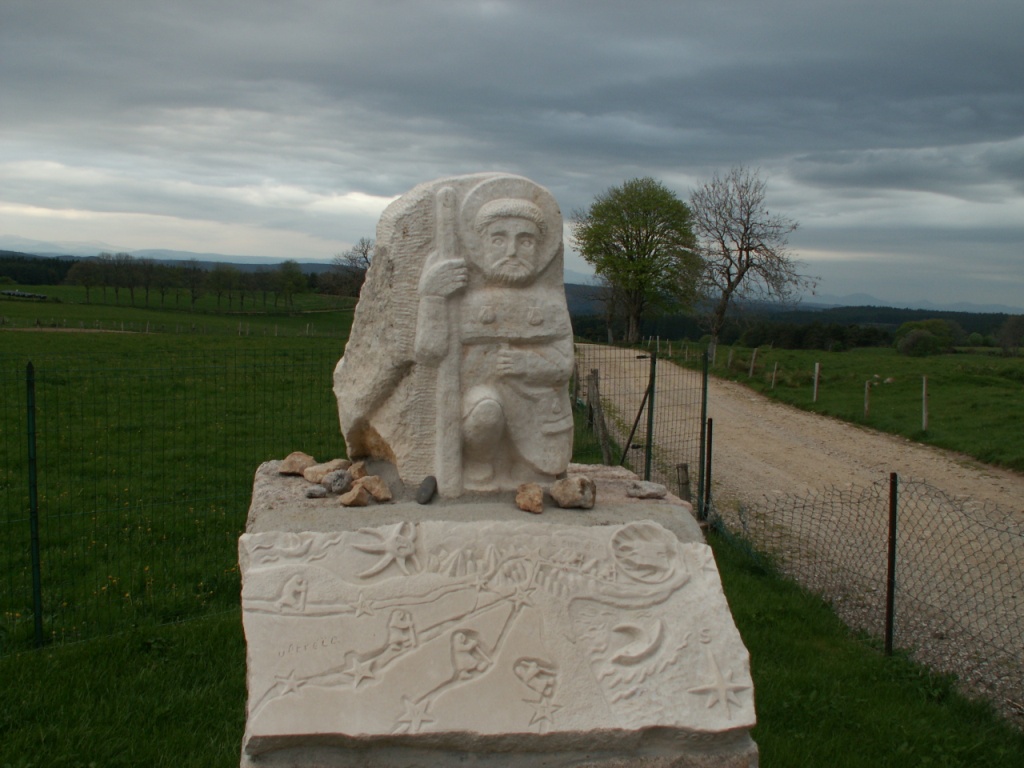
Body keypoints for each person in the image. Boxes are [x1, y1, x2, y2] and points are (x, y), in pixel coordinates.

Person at [415, 191, 573, 491]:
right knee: (485, 411)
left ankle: (521, 463)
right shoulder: (462, 299)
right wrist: (432, 297)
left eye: (525, 241)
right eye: (499, 240)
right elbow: (429, 352)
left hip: (537, 414)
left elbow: (564, 364)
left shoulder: (549, 303)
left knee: (533, 477)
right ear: (481, 244)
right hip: (479, 402)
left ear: (540, 248)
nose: (512, 251)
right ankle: (479, 459)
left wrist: (525, 362)